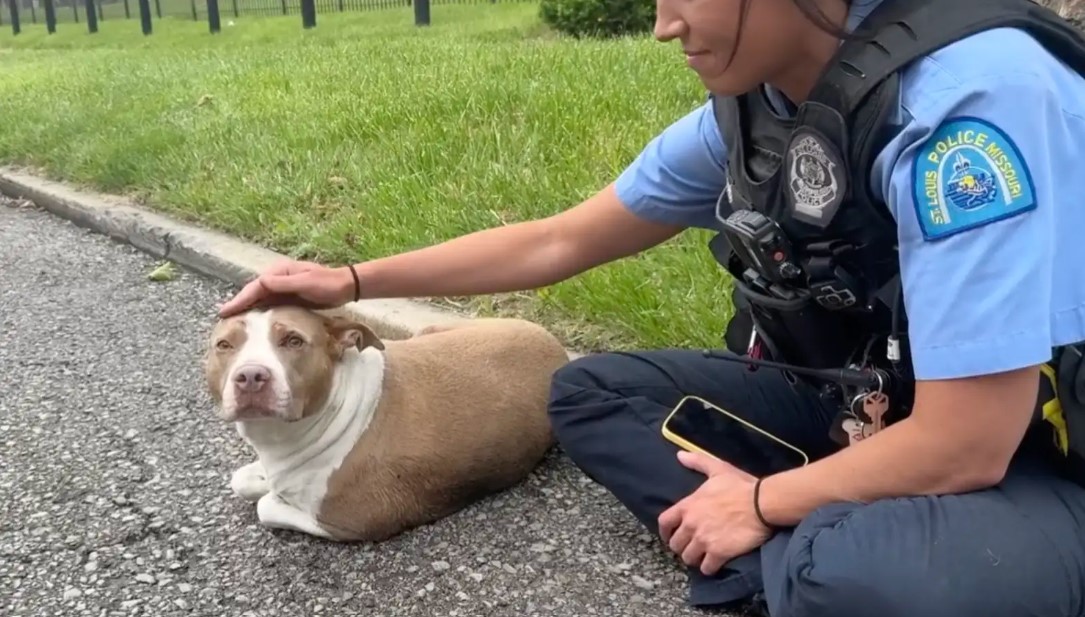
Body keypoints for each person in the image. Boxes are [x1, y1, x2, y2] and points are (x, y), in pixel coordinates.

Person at [218, 0, 1085, 614]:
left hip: (1039, 453)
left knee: (849, 576)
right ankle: (798, 547)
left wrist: (762, 503)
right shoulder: (768, 103)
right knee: (587, 394)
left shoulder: (969, 106)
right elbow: (560, 241)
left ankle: (790, 553)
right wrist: (353, 281)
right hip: (874, 410)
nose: (663, 22)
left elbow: (967, 441)